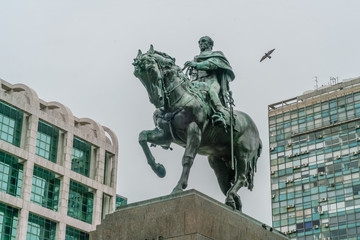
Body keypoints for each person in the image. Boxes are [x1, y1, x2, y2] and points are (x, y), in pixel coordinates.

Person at [184, 36, 235, 127]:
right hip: (197, 82)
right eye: (199, 42)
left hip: (211, 81)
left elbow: (211, 64)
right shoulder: (195, 58)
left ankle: (221, 113)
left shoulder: (216, 55)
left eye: (203, 41)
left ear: (210, 44)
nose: (200, 43)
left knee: (211, 91)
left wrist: (196, 65)